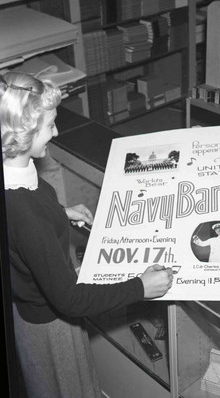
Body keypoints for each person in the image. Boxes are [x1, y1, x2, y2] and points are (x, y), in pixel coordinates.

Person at [0, 71, 173, 398]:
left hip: (30, 309)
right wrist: (141, 287)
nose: (57, 131)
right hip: (50, 326)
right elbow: (71, 300)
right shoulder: (27, 216)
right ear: (24, 134)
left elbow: (25, 222)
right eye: (50, 125)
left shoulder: (16, 175)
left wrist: (60, 214)